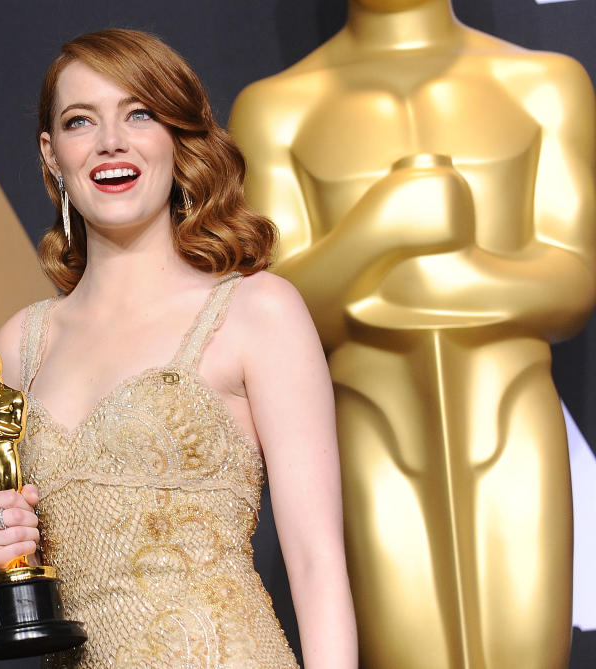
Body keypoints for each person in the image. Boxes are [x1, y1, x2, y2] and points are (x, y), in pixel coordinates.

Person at [0, 29, 357, 668]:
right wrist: (13, 542)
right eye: (79, 121)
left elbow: (316, 562)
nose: (110, 141)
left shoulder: (255, 311)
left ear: (177, 140)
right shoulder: (20, 344)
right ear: (51, 154)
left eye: (139, 114)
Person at [228, 2, 595, 667]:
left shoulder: (543, 83)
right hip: (369, 426)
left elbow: (572, 284)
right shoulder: (276, 109)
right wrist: (382, 225)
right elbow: (277, 308)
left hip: (514, 419)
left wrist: (441, 277)